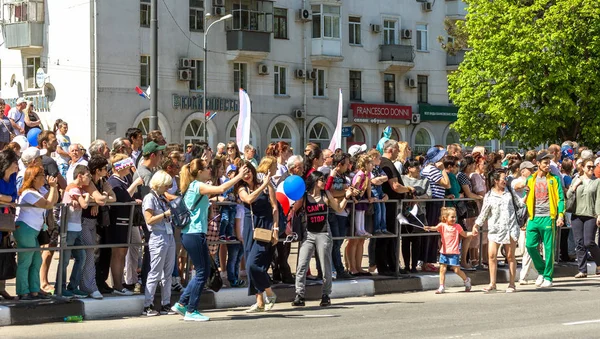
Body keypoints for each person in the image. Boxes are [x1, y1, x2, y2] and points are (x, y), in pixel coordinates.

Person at [170, 159, 248, 321]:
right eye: (206, 168)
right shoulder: (197, 186)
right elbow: (221, 188)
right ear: (199, 172)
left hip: (193, 234)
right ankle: (191, 311)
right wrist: (239, 175)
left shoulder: (194, 186)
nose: (209, 170)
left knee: (203, 272)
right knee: (202, 273)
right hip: (194, 234)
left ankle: (182, 303)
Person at [292, 171, 354, 307]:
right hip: (308, 234)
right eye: (321, 179)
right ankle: (299, 295)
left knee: (325, 266)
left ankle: (326, 294)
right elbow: (293, 209)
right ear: (315, 181)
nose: (324, 182)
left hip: (323, 233)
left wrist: (346, 197)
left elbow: (338, 208)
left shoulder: (326, 195)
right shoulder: (304, 197)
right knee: (302, 264)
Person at [236, 162, 279, 313]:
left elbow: (275, 207)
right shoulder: (241, 188)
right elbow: (248, 199)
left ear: (253, 171)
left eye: (249, 171)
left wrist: (276, 227)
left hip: (265, 226)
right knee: (249, 265)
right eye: (243, 172)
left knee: (254, 264)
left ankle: (269, 293)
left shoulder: (267, 186)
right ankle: (259, 301)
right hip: (250, 227)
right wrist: (264, 185)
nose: (247, 174)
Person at [473, 170, 523, 293]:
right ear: (496, 181)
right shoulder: (489, 195)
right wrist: (476, 225)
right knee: (491, 255)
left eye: (505, 178)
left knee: (510, 256)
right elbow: (484, 212)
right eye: (502, 178)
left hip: (510, 228)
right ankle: (492, 283)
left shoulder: (510, 192)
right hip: (495, 229)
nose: (505, 180)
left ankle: (512, 284)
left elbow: (520, 204)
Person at [14, 165, 59, 300]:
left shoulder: (37, 192)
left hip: (33, 230)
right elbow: (47, 205)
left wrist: (54, 187)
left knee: (36, 260)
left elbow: (53, 200)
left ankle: (34, 289)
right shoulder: (28, 193)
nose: (44, 179)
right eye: (41, 176)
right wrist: (52, 188)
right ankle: (23, 291)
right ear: (33, 178)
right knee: (25, 261)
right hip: (25, 229)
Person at [524, 151, 565, 288]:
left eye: (549, 163)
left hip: (548, 217)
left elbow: (560, 198)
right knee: (530, 245)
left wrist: (560, 215)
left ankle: (548, 276)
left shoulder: (554, 179)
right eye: (545, 163)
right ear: (538, 163)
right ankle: (541, 270)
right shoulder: (531, 179)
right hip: (533, 217)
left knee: (548, 248)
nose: (548, 165)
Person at [142, 171, 177, 316]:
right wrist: (164, 214)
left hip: (168, 235)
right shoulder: (150, 198)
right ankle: (148, 304)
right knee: (155, 271)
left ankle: (166, 303)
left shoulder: (162, 197)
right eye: (166, 184)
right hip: (157, 236)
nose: (168, 187)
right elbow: (149, 219)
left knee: (167, 273)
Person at [107, 154, 143, 295]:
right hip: (117, 221)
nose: (130, 167)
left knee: (122, 253)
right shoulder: (114, 181)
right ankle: (117, 285)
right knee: (118, 253)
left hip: (124, 220)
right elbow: (122, 198)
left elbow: (127, 197)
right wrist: (134, 185)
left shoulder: (122, 180)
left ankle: (119, 283)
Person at [80, 156, 115, 299]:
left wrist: (101, 198)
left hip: (95, 221)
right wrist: (99, 200)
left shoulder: (102, 181)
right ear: (97, 170)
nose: (107, 170)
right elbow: (102, 199)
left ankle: (95, 283)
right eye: (104, 168)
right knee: (89, 254)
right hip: (84, 220)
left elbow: (113, 198)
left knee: (99, 253)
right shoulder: (88, 182)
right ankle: (88, 286)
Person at [55, 165, 92, 298]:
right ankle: (60, 288)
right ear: (80, 176)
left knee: (81, 257)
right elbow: (85, 204)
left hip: (76, 228)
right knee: (65, 260)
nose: (90, 179)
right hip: (68, 228)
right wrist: (86, 196)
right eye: (88, 175)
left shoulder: (79, 190)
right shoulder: (73, 188)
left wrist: (84, 196)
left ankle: (73, 286)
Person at [378, 140, 413, 275]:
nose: (399, 152)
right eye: (397, 149)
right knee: (389, 236)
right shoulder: (387, 164)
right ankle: (387, 266)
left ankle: (392, 265)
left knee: (391, 236)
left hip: (390, 205)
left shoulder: (385, 163)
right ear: (391, 150)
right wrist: (409, 189)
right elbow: (395, 187)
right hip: (390, 206)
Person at [424, 207, 472, 294]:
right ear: (445, 217)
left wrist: (472, 233)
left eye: (455, 217)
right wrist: (428, 228)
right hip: (444, 252)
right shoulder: (442, 225)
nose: (454, 219)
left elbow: (464, 234)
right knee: (442, 269)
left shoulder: (457, 226)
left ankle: (466, 280)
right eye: (452, 217)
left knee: (456, 270)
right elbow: (434, 228)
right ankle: (441, 286)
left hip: (454, 252)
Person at [566, 158, 600, 278]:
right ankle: (582, 270)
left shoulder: (597, 181)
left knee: (589, 242)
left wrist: (599, 214)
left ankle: (599, 263)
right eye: (589, 167)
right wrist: (574, 186)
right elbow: (568, 195)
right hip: (577, 215)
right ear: (583, 168)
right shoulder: (577, 179)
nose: (591, 169)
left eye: (593, 167)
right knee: (579, 243)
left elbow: (598, 199)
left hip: (591, 215)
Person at [421, 147, 450, 272]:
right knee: (431, 230)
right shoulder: (431, 169)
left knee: (434, 231)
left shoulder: (431, 168)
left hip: (436, 200)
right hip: (432, 202)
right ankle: (425, 260)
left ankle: (428, 260)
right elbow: (446, 184)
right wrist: (443, 170)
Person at [0, 149, 19, 300]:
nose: (17, 165)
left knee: (4, 252)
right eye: (15, 162)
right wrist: (8, 199)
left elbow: (14, 197)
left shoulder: (12, 178)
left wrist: (4, 199)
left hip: (6, 219)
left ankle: (2, 288)